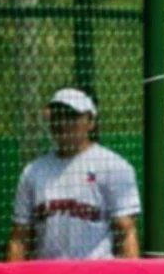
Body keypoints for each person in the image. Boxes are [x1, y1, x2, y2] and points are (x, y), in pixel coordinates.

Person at [8, 88, 139, 261]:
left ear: (91, 122)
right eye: (57, 116)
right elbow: (19, 239)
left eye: (71, 116)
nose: (62, 123)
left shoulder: (113, 166)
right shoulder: (33, 172)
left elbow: (126, 232)